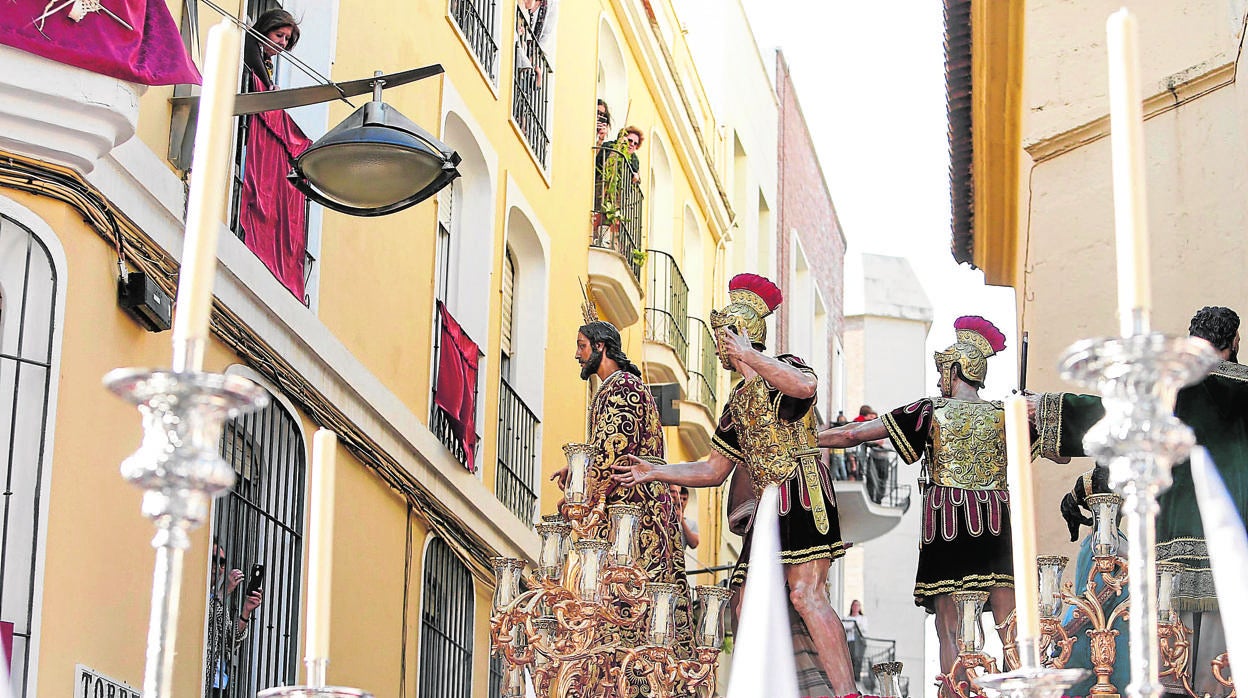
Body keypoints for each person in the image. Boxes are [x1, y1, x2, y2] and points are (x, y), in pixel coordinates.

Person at [613, 273, 856, 695]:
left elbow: (806, 386)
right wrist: (654, 470)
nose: (719, 350)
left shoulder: (787, 368)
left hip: (802, 491)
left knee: (805, 594)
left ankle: (848, 692)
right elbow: (712, 470)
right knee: (745, 604)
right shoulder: (734, 405)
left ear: (741, 336)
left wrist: (752, 357)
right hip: (768, 507)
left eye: (723, 339)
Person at [1027, 305, 1246, 698]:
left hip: (1173, 557)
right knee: (1225, 675)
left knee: (1168, 670)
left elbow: (1114, 415)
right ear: (1235, 343)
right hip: (1235, 555)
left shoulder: (1170, 388)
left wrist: (1046, 408)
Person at [819, 316, 1028, 676]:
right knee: (1011, 627)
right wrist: (1031, 409)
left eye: (943, 369)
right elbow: (1059, 453)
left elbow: (855, 435)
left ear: (957, 369)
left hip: (948, 524)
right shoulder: (1006, 414)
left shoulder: (930, 409)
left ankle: (955, 690)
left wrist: (808, 440)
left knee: (949, 627)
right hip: (997, 524)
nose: (939, 379)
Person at [556, 319, 694, 695]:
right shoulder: (622, 388)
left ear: (601, 346)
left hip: (635, 515)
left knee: (632, 602)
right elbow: (614, 446)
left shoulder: (624, 388)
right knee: (624, 608)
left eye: (582, 345)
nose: (577, 354)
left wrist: (579, 495)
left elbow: (613, 452)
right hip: (634, 510)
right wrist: (576, 470)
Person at [205, 543, 263, 697]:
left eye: (222, 562)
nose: (218, 566)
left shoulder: (216, 600)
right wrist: (224, 592)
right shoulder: (202, 596)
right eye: (214, 559)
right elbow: (203, 621)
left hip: (220, 684)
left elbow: (232, 639)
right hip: (202, 680)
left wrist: (246, 611)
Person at [243, 9, 300, 90]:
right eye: (279, 35)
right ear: (264, 31)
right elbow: (250, 42)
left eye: (287, 38)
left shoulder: (266, 61)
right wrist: (269, 85)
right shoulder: (248, 45)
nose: (283, 42)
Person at [845, 599, 869, 679]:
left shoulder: (862, 618)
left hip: (859, 642)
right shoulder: (847, 618)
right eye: (854, 605)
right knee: (849, 659)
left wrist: (853, 627)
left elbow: (864, 629)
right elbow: (845, 627)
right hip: (849, 641)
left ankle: (856, 677)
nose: (855, 607)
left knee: (857, 659)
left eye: (857, 605)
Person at [829, 411, 850, 480]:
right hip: (835, 451)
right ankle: (840, 478)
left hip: (840, 451)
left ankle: (840, 478)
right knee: (837, 466)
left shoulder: (843, 429)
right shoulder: (837, 429)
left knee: (839, 466)